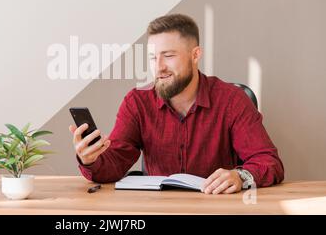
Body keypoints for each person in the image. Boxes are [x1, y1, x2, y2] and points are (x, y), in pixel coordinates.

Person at [69, 14, 284, 194]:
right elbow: (113, 166)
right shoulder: (137, 102)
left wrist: (240, 176)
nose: (159, 67)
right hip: (159, 210)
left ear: (195, 55)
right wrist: (90, 160)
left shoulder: (232, 100)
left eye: (168, 56)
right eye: (153, 58)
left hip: (216, 207)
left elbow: (269, 162)